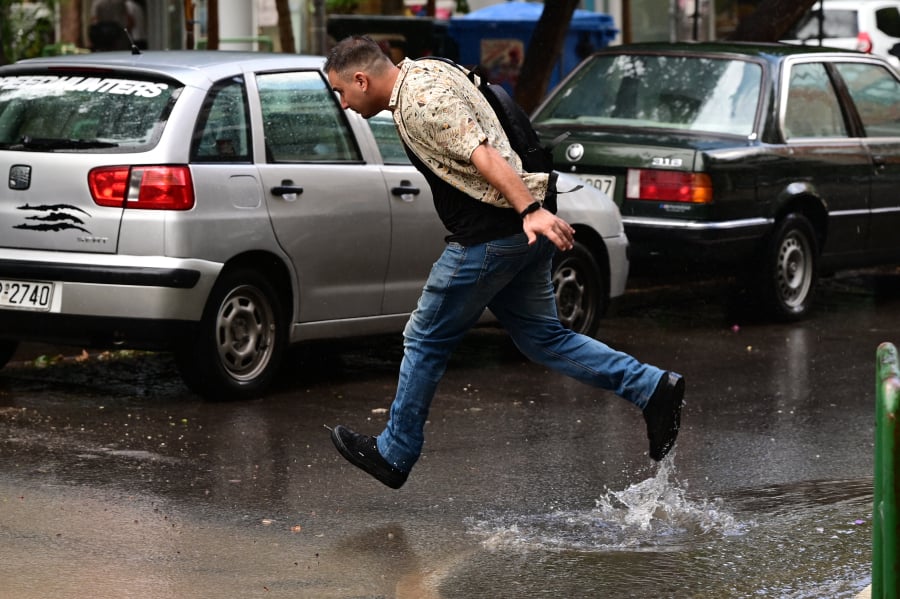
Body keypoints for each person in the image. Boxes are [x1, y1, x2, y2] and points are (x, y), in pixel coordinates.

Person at [324, 36, 685, 490]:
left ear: (362, 79)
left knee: (424, 337)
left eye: (341, 91)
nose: (343, 103)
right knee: (543, 338)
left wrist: (530, 211)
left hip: (493, 236)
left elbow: (484, 152)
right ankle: (652, 388)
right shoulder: (429, 70)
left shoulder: (421, 100)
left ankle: (395, 452)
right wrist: (531, 212)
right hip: (518, 231)